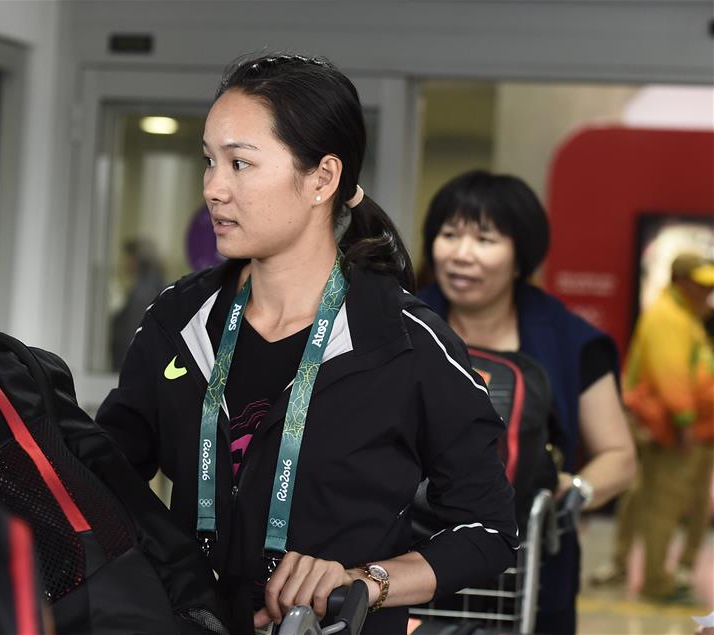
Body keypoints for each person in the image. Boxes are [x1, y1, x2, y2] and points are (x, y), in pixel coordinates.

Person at [94, 54, 518, 634]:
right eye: (209, 162)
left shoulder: (402, 341)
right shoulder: (179, 319)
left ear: (322, 178)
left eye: (241, 164)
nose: (214, 188)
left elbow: (487, 530)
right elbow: (108, 476)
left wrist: (364, 583)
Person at [416, 170, 636, 635]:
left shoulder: (570, 340)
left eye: (485, 239)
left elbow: (619, 458)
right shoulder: (398, 322)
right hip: (407, 561)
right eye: (449, 234)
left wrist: (571, 490)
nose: (461, 254)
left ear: (521, 257)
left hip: (530, 576)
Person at [591, 252, 714, 603]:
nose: (706, 293)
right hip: (671, 431)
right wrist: (687, 423)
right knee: (663, 506)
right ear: (681, 282)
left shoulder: (685, 317)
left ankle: (655, 573)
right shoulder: (668, 318)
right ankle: (656, 582)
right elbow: (672, 378)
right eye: (700, 285)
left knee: (655, 501)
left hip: (682, 430)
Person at [109, 239, 165, 370]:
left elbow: (134, 333)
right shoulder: (149, 287)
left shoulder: (144, 292)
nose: (125, 263)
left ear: (137, 261)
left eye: (128, 258)